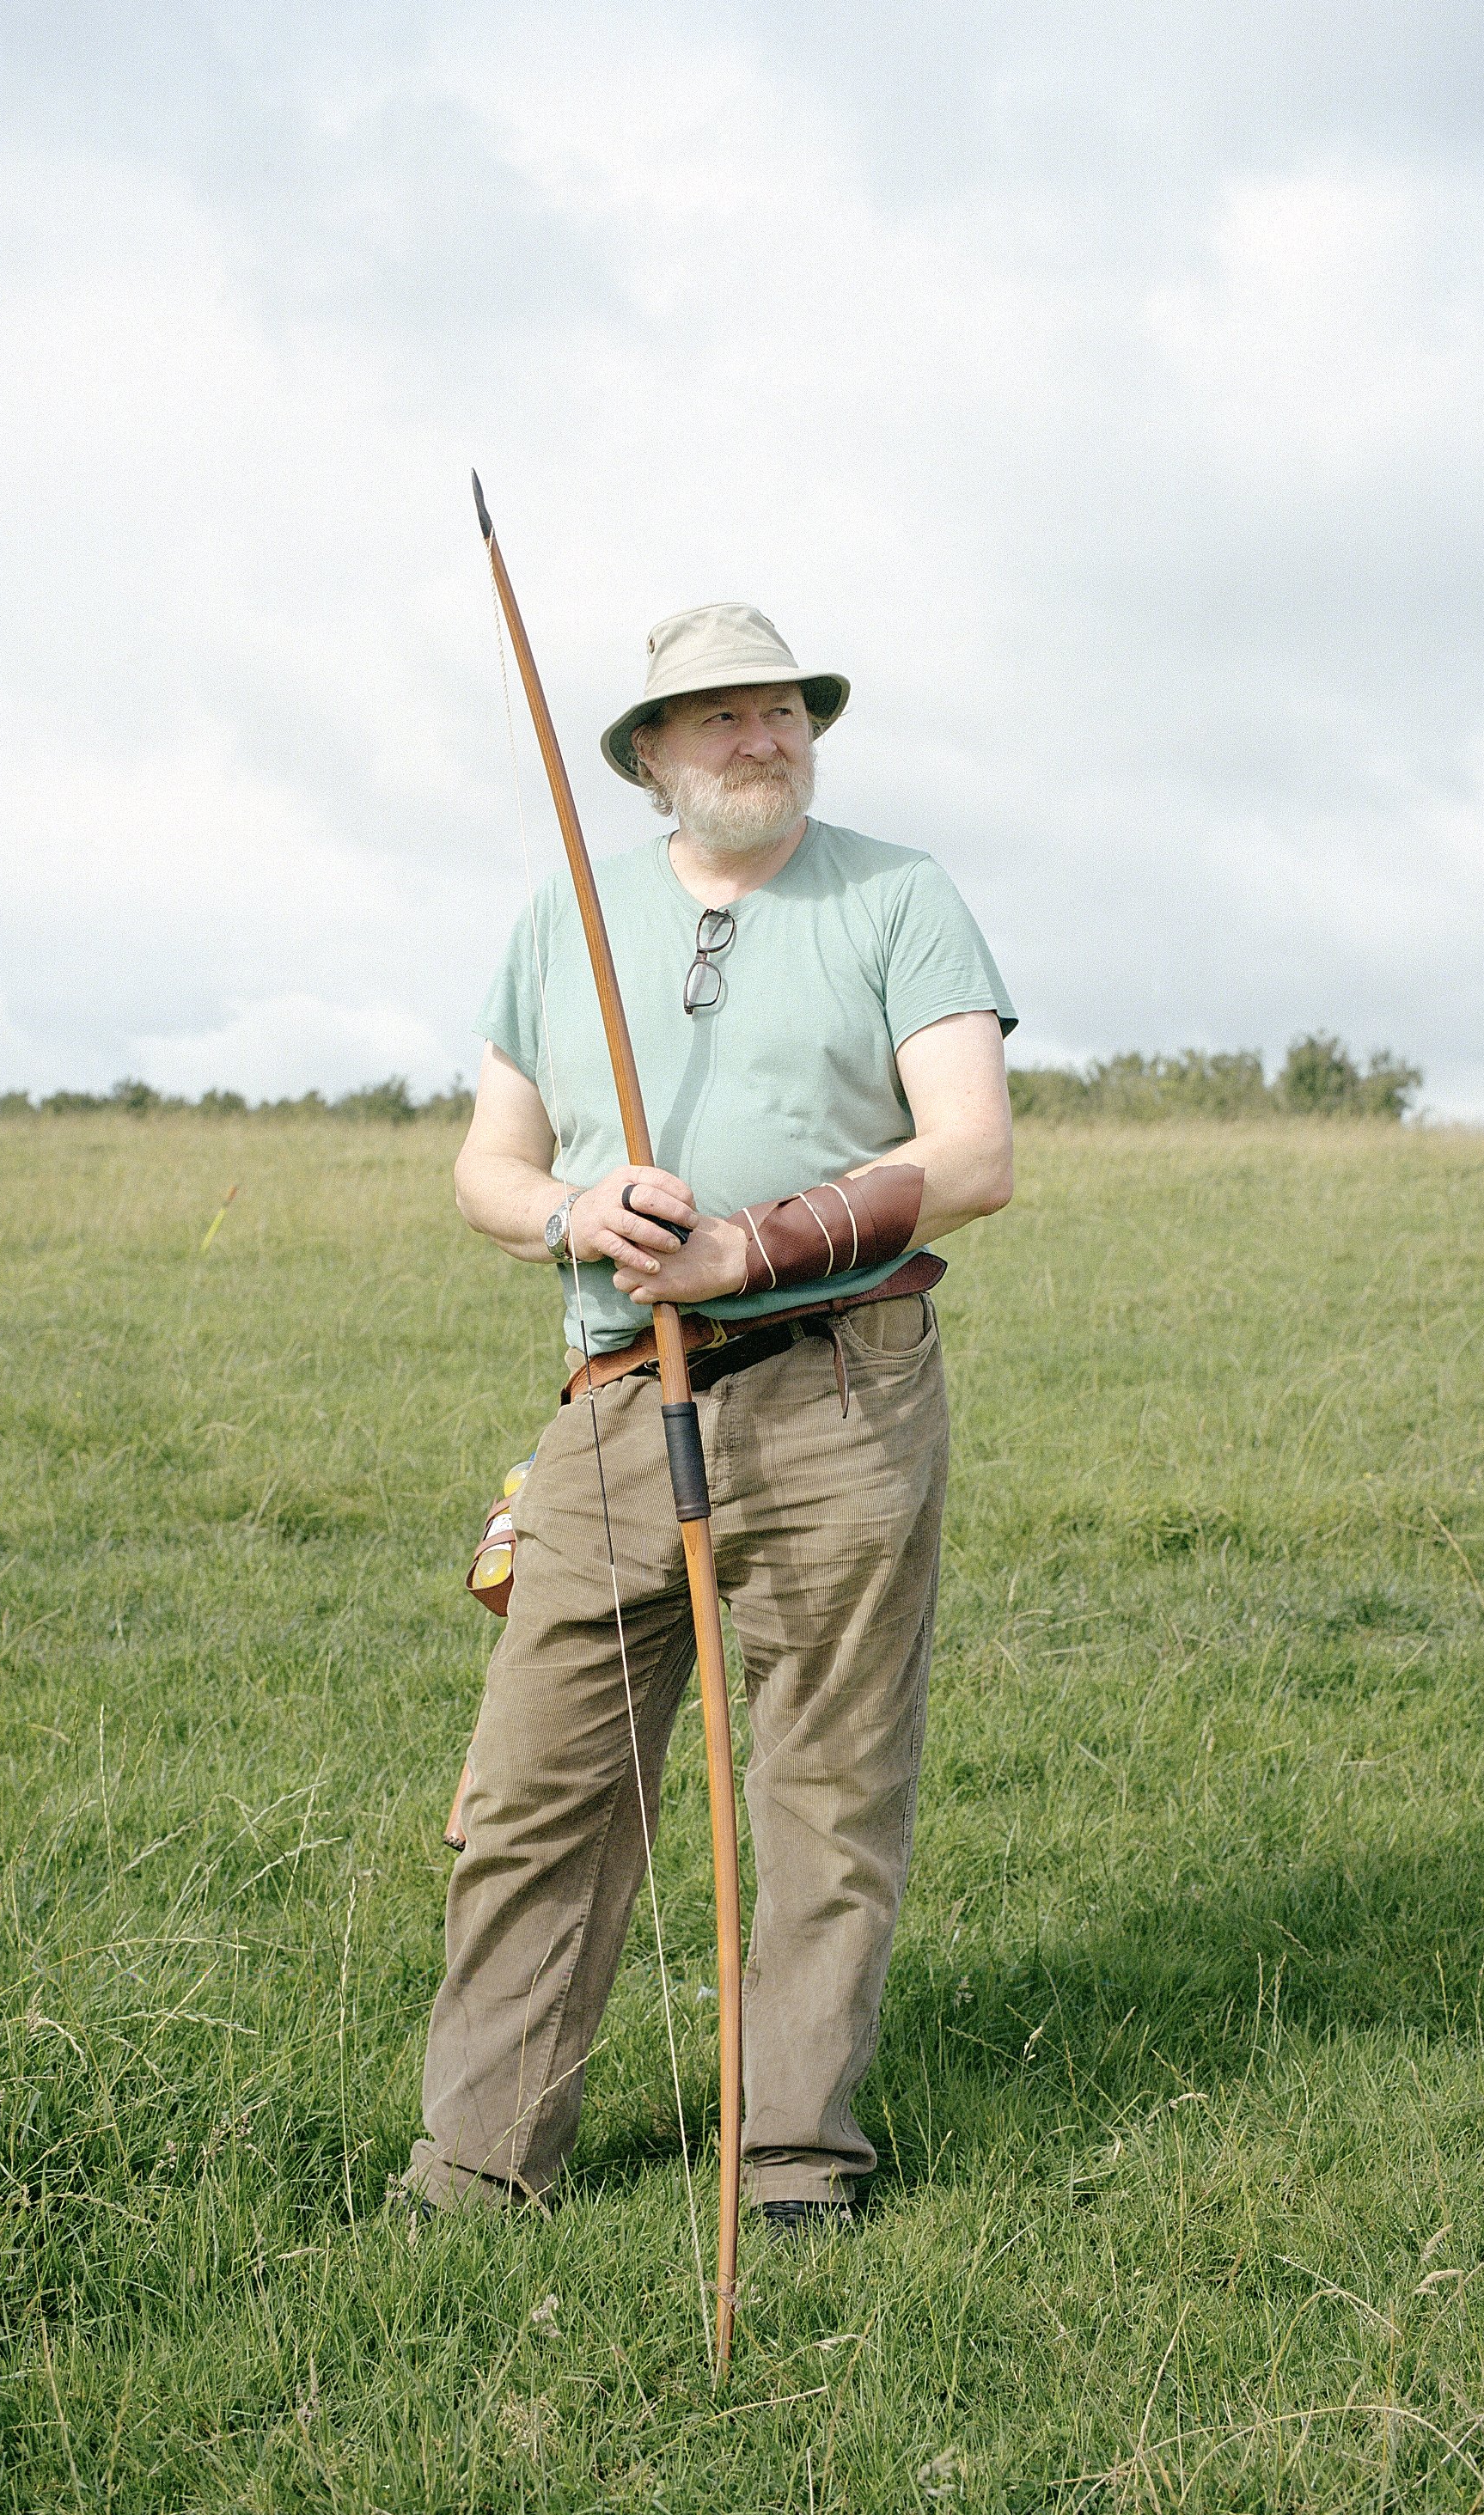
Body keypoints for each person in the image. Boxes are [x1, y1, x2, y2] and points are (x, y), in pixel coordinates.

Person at [404, 601, 1015, 2230]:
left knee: (826, 1782)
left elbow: (972, 1155)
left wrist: (759, 1241)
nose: (763, 736)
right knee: (538, 1793)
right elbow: (487, 1167)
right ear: (652, 758)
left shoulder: (901, 895)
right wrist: (574, 1216)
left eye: (783, 710)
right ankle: (477, 2169)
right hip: (615, 1401)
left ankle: (794, 2161)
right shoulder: (566, 916)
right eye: (721, 717)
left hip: (840, 1381)